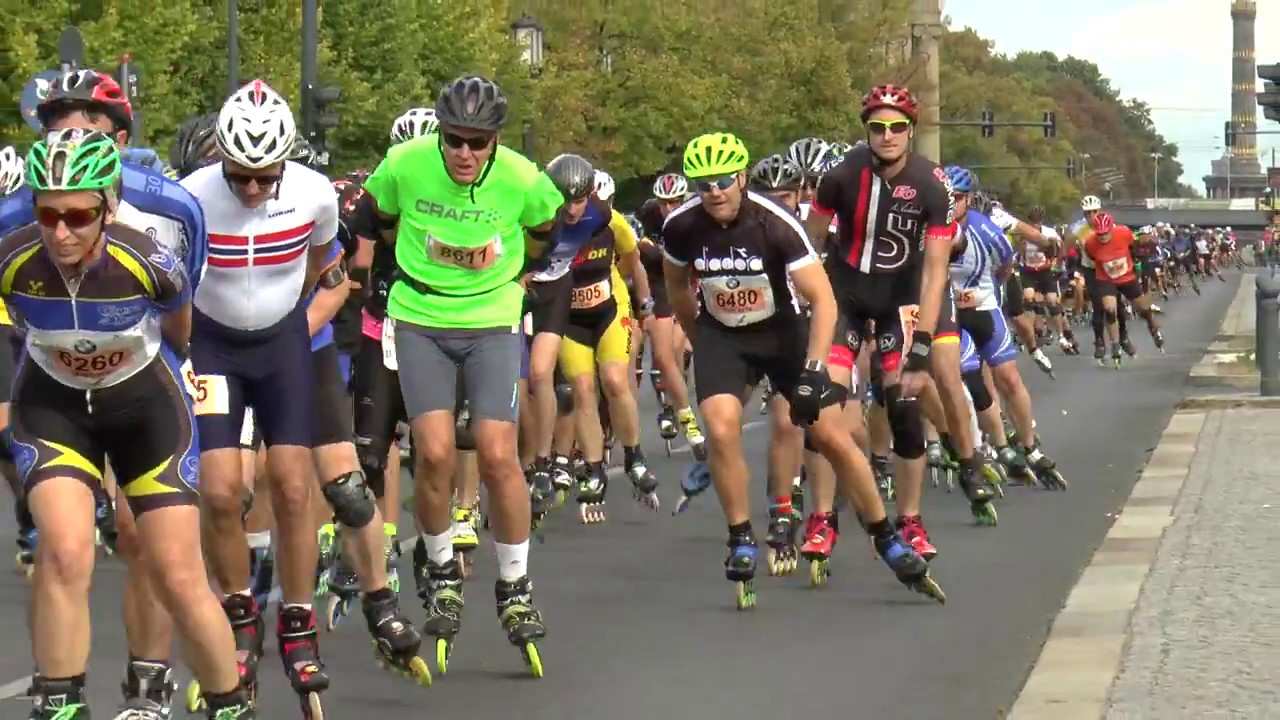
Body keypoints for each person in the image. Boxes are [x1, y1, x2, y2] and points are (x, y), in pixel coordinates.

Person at [4, 129, 253, 720]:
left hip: (144, 408)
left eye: (79, 214)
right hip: (54, 407)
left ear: (108, 207)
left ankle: (230, 704)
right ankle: (61, 704)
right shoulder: (13, 257)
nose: (61, 230)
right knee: (62, 554)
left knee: (177, 574)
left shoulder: (147, 260)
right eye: (48, 212)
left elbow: (183, 330)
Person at [663, 131, 943, 609]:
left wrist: (814, 370)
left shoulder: (775, 224)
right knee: (721, 427)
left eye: (723, 181)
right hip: (724, 336)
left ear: (742, 177)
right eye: (703, 183)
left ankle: (885, 536)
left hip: (784, 335)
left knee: (829, 434)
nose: (714, 191)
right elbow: (676, 289)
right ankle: (740, 537)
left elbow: (824, 300)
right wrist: (703, 336)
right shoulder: (681, 226)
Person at [361, 75, 560, 676]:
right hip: (420, 317)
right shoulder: (405, 163)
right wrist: (370, 276)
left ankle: (515, 586)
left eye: (478, 142)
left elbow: (548, 231)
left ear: (495, 140)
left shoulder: (524, 178)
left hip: (492, 319)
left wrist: (521, 278)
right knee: (436, 452)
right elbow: (372, 217)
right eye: (455, 140)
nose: (465, 153)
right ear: (440, 135)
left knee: (499, 454)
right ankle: (442, 568)